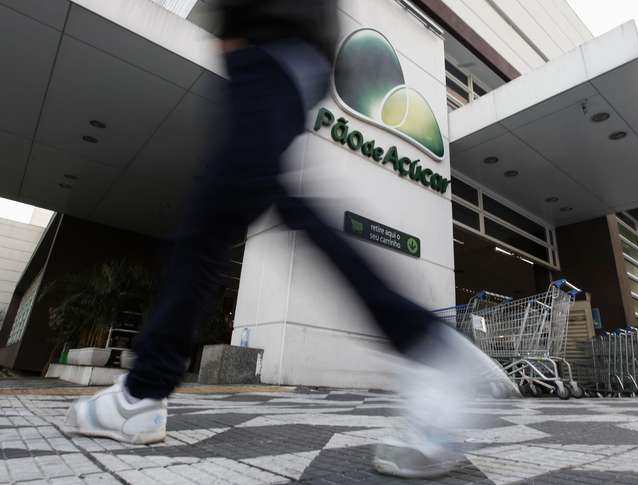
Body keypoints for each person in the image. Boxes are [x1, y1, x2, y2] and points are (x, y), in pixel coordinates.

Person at [63, 0, 516, 478]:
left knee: (208, 226)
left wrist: (236, 26)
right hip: (289, 51)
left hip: (269, 43)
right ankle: (425, 345)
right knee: (251, 211)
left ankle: (428, 348)